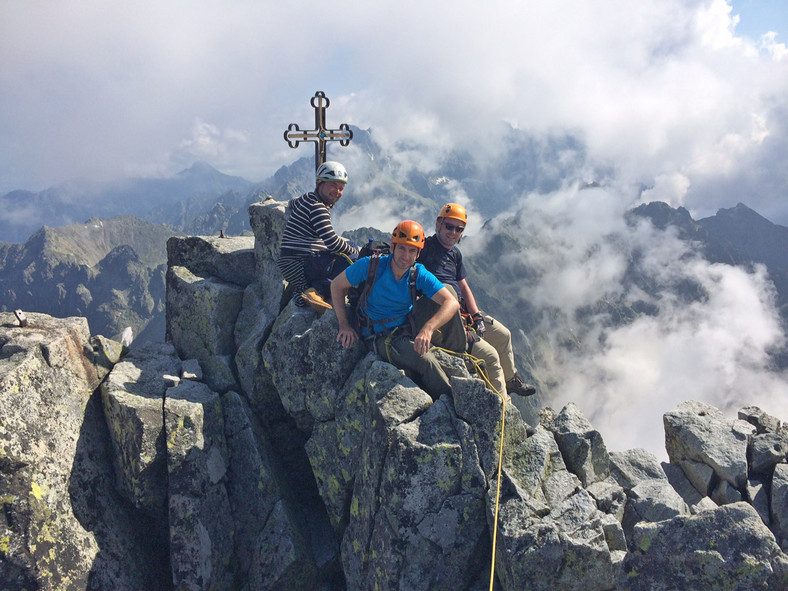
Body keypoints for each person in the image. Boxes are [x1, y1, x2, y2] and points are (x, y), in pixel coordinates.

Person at [418, 202, 536, 397]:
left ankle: (510, 381)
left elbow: (463, 285)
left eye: (459, 229)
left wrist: (476, 315)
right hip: (446, 319)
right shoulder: (425, 248)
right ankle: (505, 411)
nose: (453, 232)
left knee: (504, 335)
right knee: (491, 357)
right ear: (438, 224)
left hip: (462, 312)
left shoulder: (455, 254)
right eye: (449, 226)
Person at [331, 220, 460, 400]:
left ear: (418, 253)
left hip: (406, 323)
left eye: (412, 250)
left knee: (450, 291)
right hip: (380, 335)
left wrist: (428, 328)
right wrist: (344, 324)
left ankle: (458, 349)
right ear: (392, 248)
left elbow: (452, 302)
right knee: (426, 362)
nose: (406, 256)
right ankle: (451, 402)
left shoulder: (417, 273)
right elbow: (337, 286)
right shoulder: (372, 266)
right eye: (402, 248)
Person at [277, 161, 360, 312]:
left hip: (290, 263)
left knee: (350, 249)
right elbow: (332, 242)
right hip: (301, 263)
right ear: (319, 183)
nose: (337, 191)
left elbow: (292, 203)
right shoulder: (318, 207)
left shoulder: (308, 197)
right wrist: (355, 253)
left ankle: (306, 290)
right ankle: (316, 291)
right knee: (355, 262)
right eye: (333, 185)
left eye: (341, 188)